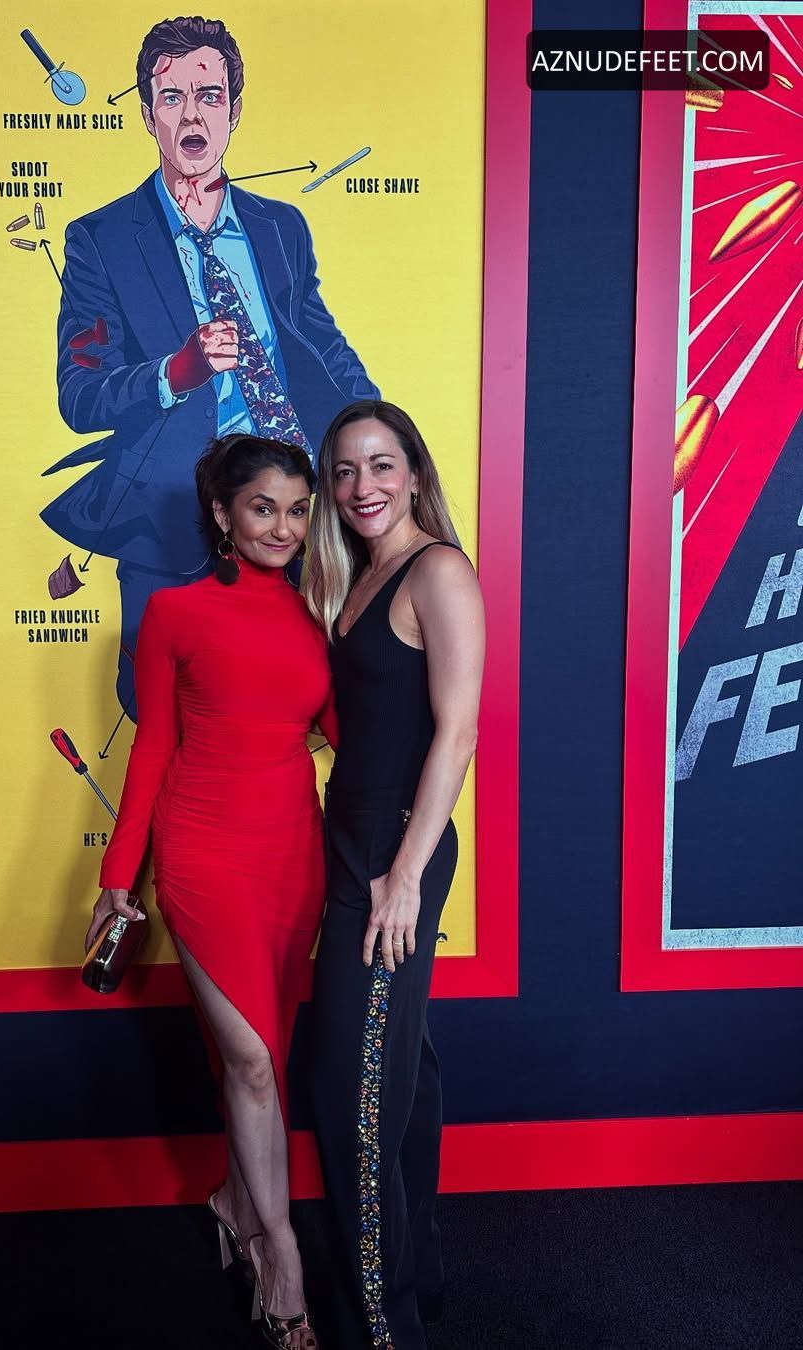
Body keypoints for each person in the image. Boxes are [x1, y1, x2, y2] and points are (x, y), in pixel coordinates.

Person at [41, 15, 378, 717]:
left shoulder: (281, 227)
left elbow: (323, 348)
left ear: (234, 109)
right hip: (171, 515)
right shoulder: (101, 240)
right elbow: (81, 395)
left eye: (210, 95)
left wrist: (379, 436)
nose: (192, 115)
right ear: (147, 115)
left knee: (308, 702)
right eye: (172, 97)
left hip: (295, 506)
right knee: (162, 710)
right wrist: (175, 372)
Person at [86, 435, 335, 1348]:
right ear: (224, 515)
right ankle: (282, 1258)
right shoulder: (174, 612)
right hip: (202, 853)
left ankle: (234, 1200)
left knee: (265, 1057)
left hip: (293, 858)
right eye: (264, 507)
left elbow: (348, 734)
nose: (283, 527)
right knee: (253, 1062)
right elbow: (151, 745)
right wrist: (118, 878)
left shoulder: (322, 615)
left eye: (299, 510)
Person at [303, 401, 484, 1350]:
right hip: (353, 841)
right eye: (344, 470)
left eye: (380, 465)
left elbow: (457, 731)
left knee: (354, 1099)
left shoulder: (437, 570)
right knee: (399, 1073)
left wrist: (405, 873)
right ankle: (421, 1287)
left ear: (414, 471)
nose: (361, 486)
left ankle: (382, 1331)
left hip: (393, 851)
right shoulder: (357, 575)